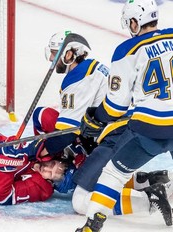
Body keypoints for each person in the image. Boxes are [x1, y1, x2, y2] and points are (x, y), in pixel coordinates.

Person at [76, 0, 173, 231]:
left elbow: (115, 108)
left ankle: (92, 224)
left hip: (149, 128)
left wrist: (95, 118)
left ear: (134, 22)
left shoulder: (126, 51)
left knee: (114, 173)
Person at [32, 31, 109, 193]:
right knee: (42, 115)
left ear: (69, 54)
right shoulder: (91, 68)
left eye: (54, 53)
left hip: (107, 145)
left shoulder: (78, 79)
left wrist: (41, 154)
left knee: (80, 195)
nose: (51, 59)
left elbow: (68, 132)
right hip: (107, 134)